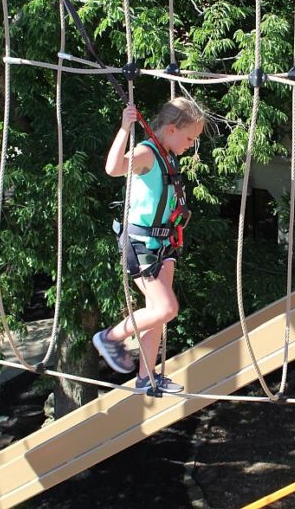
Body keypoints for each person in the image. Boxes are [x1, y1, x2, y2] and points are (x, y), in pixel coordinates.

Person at [93, 97, 205, 394]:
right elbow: (114, 168)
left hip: (163, 242)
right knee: (166, 308)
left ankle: (147, 377)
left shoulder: (168, 155)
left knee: (156, 312)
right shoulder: (147, 153)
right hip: (142, 244)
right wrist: (124, 129)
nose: (191, 145)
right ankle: (110, 337)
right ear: (171, 130)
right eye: (189, 137)